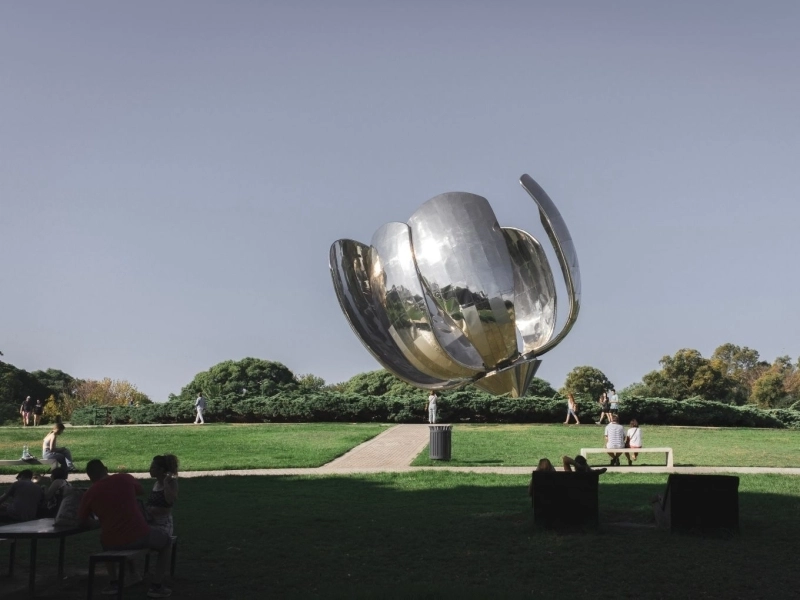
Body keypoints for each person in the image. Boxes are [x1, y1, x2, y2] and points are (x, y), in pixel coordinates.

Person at [78, 459, 173, 598]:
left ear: (90, 477)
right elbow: (140, 491)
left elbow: (81, 521)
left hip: (111, 542)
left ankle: (114, 582)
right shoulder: (125, 478)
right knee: (166, 542)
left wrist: (98, 522)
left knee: (104, 540)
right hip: (139, 535)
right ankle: (156, 586)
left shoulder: (89, 493)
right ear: (106, 469)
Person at [146, 454, 179, 536]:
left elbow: (170, 500)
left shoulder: (171, 483)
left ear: (161, 470)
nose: (150, 470)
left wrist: (165, 483)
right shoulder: (156, 483)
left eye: (153, 468)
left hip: (163, 524)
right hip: (151, 522)